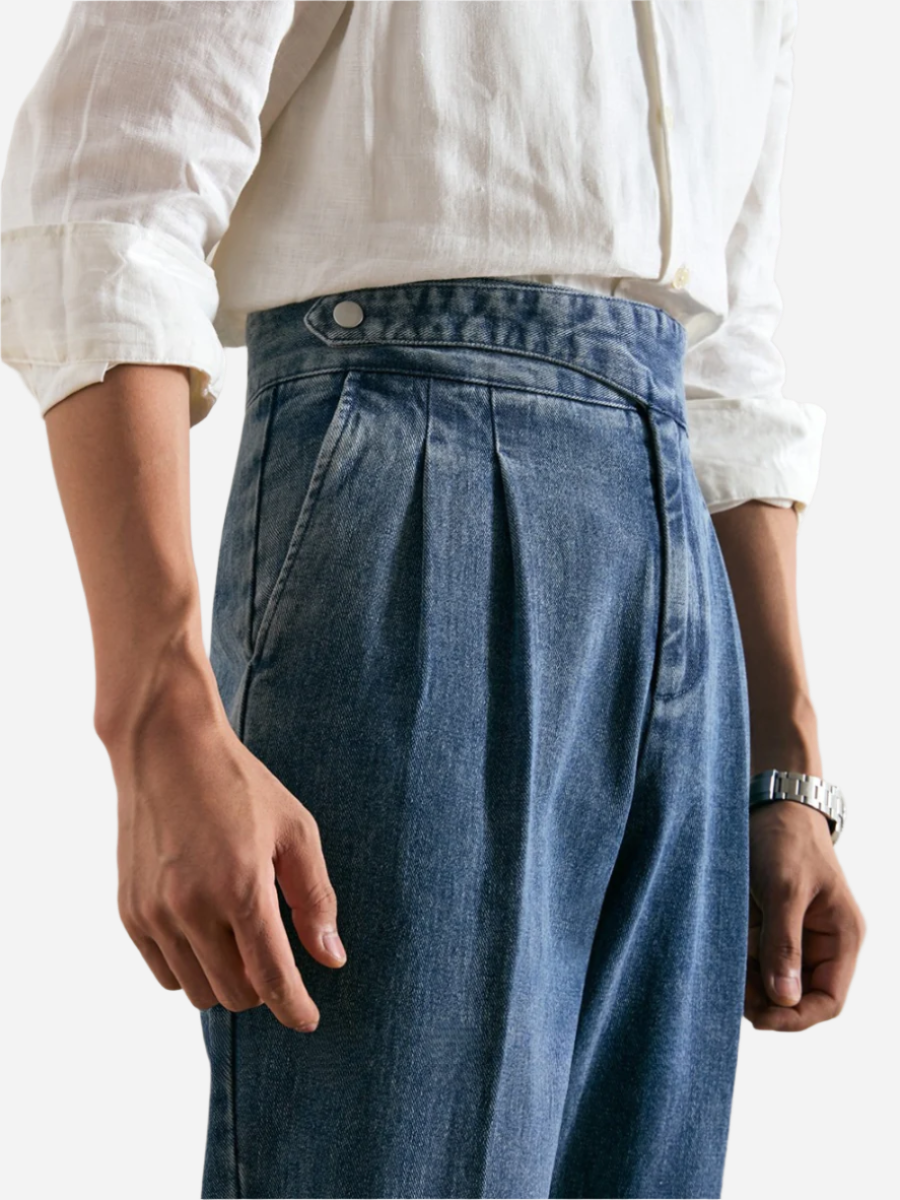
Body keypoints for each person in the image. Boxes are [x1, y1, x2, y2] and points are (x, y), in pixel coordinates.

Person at [0, 2, 866, 1198]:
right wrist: (154, 716)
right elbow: (109, 191)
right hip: (420, 483)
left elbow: (725, 356)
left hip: (678, 543)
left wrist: (786, 768)